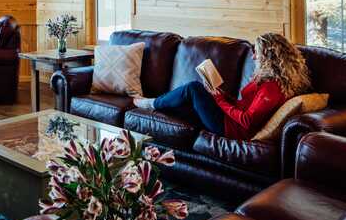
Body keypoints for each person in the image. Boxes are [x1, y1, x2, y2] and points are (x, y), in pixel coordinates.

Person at [133, 33, 311, 140]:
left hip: (230, 129)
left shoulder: (272, 88)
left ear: (269, 56)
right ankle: (154, 107)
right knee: (184, 105)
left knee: (193, 88)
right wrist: (224, 96)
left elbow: (247, 121)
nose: (254, 57)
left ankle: (151, 104)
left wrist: (218, 99)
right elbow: (244, 105)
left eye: (257, 53)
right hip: (229, 119)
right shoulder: (269, 80)